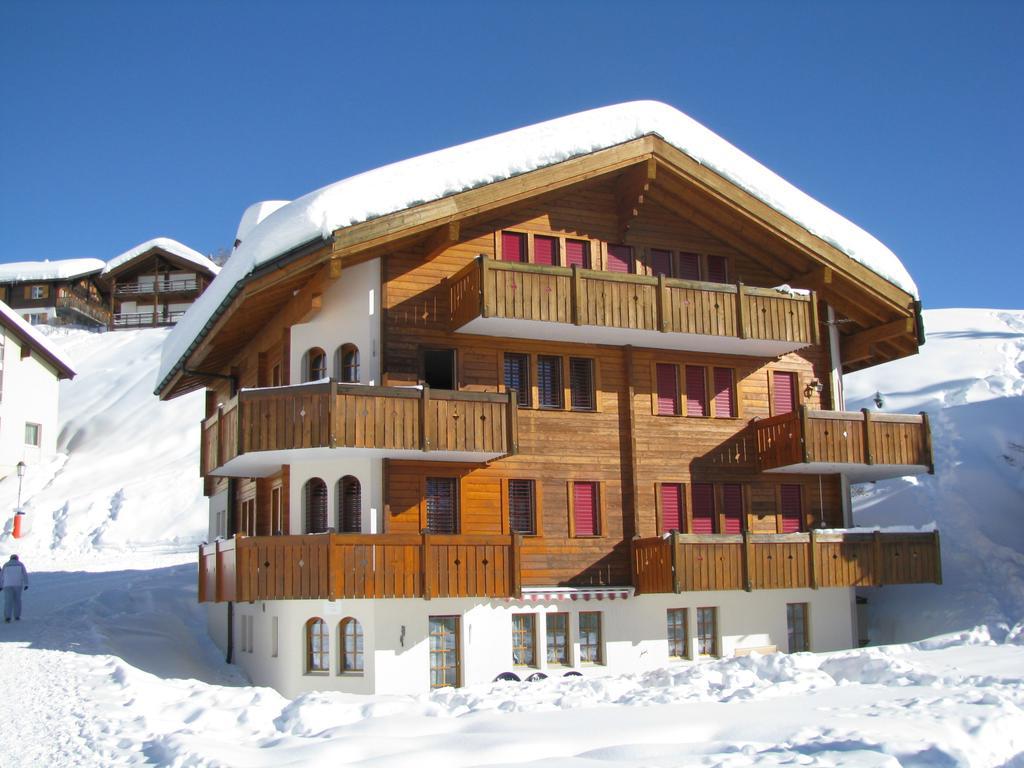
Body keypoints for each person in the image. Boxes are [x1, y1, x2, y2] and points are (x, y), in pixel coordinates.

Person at [1, 554, 29, 622]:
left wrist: (1, 585)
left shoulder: (6, 564)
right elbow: (24, 574)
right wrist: (26, 584)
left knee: (8, 601)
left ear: (10, 558)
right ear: (17, 558)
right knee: (17, 601)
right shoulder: (20, 564)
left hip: (7, 585)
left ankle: (7, 617)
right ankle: (17, 616)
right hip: (17, 584)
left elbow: (1, 575)